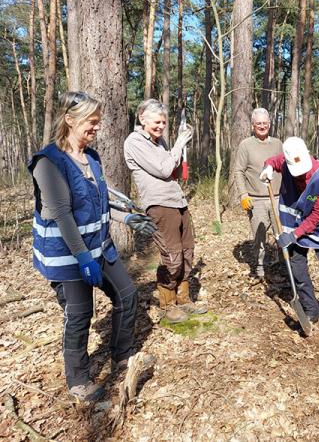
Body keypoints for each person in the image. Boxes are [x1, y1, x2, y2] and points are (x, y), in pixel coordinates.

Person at [28, 91, 152, 402]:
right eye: (91, 122)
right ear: (69, 120)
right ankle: (78, 379)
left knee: (127, 294)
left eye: (98, 122)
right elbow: (61, 211)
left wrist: (127, 219)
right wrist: (83, 257)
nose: (97, 127)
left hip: (99, 247)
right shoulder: (49, 162)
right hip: (67, 256)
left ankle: (122, 356)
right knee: (80, 313)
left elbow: (97, 202)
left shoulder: (92, 158)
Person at [260, 137, 319, 341]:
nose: (301, 175)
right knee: (298, 270)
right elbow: (274, 161)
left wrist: (293, 235)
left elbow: (317, 216)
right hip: (293, 225)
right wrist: (267, 167)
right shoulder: (286, 161)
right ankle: (311, 310)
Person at [124, 99, 203, 322]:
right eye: (157, 122)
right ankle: (167, 305)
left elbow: (174, 172)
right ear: (142, 119)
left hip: (178, 201)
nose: (161, 126)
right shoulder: (135, 142)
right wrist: (178, 143)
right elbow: (163, 168)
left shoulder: (159, 142)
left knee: (187, 251)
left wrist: (180, 149)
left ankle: (183, 298)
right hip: (159, 205)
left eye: (164, 122)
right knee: (172, 256)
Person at [233, 108, 283, 278]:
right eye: (258, 123)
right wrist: (243, 195)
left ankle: (284, 264)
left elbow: (284, 167)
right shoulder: (246, 145)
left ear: (270, 123)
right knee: (259, 236)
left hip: (277, 197)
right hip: (256, 199)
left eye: (265, 123)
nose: (262, 126)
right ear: (253, 126)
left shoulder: (277, 144)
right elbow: (238, 171)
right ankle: (259, 265)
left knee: (281, 232)